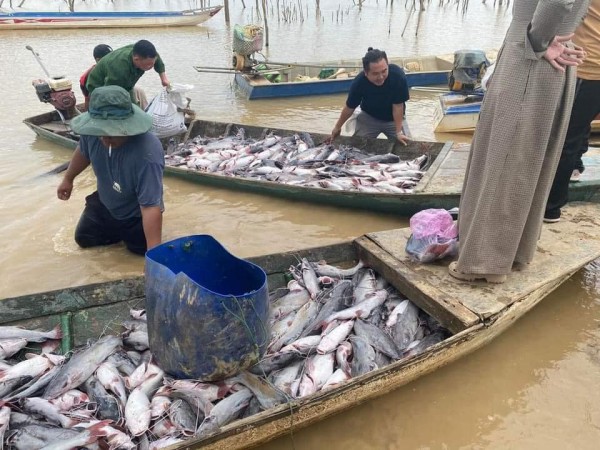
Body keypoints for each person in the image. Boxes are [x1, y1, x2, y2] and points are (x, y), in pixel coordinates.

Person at [448, 0, 589, 284]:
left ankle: (484, 263)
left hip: (531, 60)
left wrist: (538, 41)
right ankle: (511, 252)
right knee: (526, 159)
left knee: (507, 157)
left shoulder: (535, 45)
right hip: (544, 56)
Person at [57, 85, 165, 255]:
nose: (105, 138)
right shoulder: (93, 133)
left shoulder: (147, 152)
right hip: (105, 202)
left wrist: (154, 255)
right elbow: (83, 151)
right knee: (84, 239)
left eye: (112, 133)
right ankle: (116, 235)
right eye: (101, 132)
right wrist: (68, 179)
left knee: (140, 253)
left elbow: (151, 206)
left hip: (134, 213)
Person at [544, 0, 600, 223]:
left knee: (564, 137)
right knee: (579, 126)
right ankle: (577, 165)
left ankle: (551, 207)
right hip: (591, 67)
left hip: (585, 67)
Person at [329, 48, 410, 144]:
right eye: (375, 74)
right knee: (356, 147)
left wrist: (398, 132)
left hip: (394, 119)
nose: (380, 77)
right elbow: (350, 108)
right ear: (366, 73)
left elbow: (398, 106)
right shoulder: (359, 82)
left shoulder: (398, 77)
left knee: (408, 145)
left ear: (387, 65)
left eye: (384, 71)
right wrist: (337, 127)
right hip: (369, 117)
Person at [86, 39, 170, 106]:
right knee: (119, 110)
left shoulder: (144, 53)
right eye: (148, 65)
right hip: (100, 87)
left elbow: (156, 57)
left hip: (127, 85)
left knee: (134, 109)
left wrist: (163, 78)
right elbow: (111, 91)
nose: (151, 66)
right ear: (136, 59)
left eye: (153, 63)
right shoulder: (119, 68)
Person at [79, 44, 149, 111]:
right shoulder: (92, 75)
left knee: (139, 91)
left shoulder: (115, 65)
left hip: (119, 89)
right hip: (103, 97)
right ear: (98, 60)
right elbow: (88, 98)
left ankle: (145, 113)